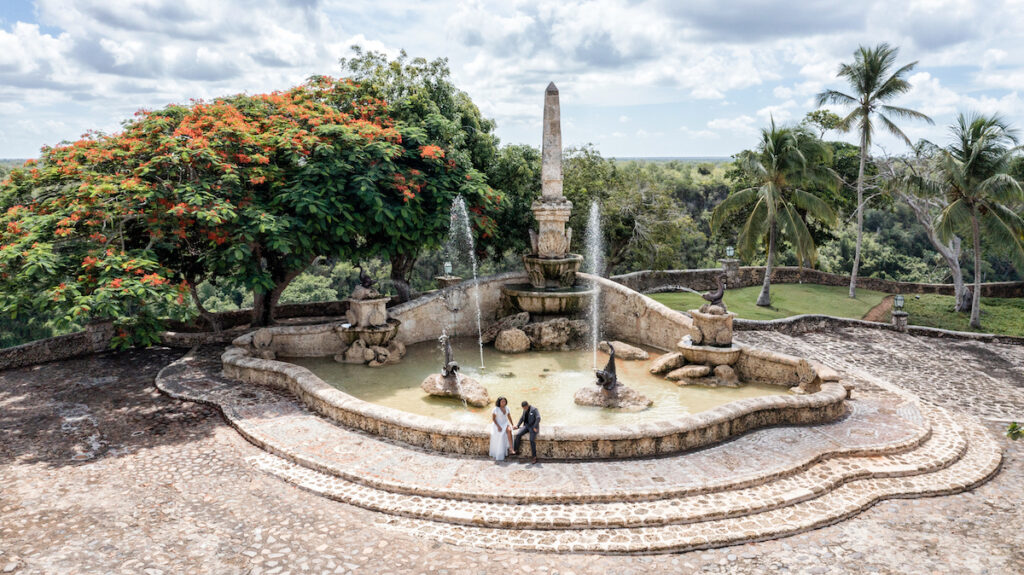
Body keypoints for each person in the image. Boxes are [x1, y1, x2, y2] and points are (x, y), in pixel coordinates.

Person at [489, 397, 514, 461]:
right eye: (502, 401)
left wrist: (513, 425)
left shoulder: (507, 408)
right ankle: (500, 452)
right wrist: (498, 426)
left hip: (505, 423)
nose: (503, 403)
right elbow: (494, 419)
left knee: (509, 430)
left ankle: (511, 448)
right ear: (499, 402)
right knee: (501, 435)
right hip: (498, 424)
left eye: (504, 401)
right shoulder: (495, 409)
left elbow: (509, 416)